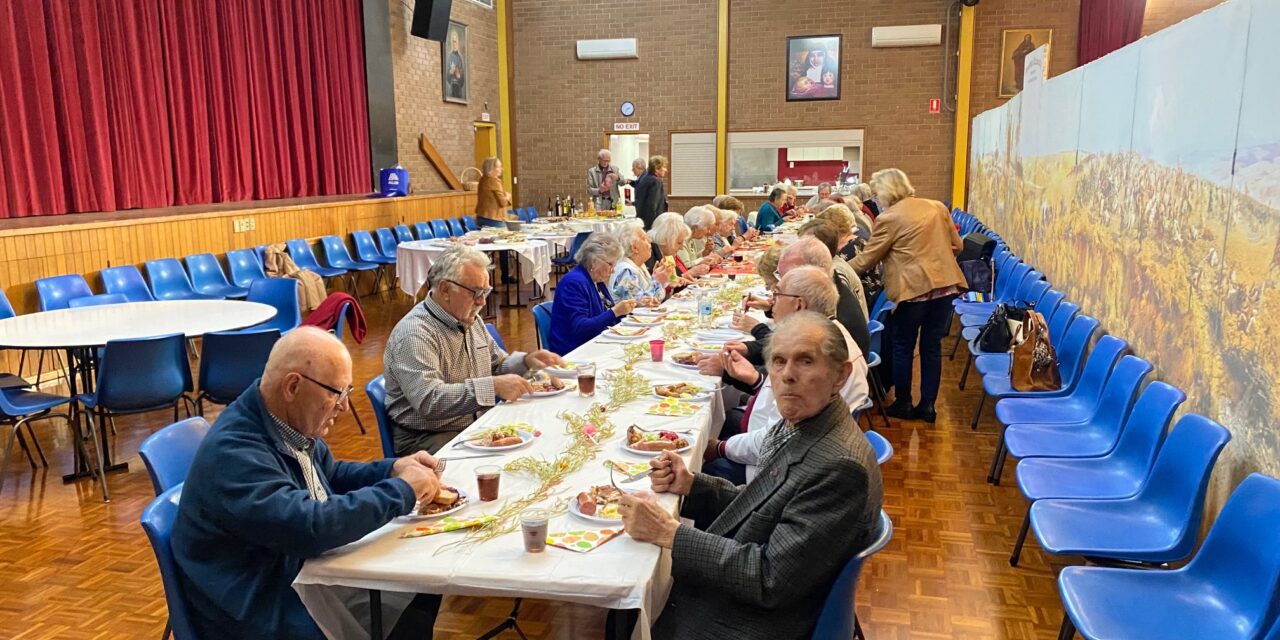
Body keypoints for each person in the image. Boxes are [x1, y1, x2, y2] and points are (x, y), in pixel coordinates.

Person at [619, 311, 884, 640]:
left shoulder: (839, 466)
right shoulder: (808, 427)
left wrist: (670, 534)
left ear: (840, 375)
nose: (787, 375)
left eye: (805, 361)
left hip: (758, 623)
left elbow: (769, 578)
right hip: (760, 599)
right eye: (778, 361)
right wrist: (691, 486)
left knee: (631, 601)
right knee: (633, 599)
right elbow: (764, 504)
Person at [173, 327, 447, 640]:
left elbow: (329, 476)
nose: (344, 406)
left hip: (296, 576)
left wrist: (393, 469)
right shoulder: (234, 452)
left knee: (422, 584)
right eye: (336, 393)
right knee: (412, 587)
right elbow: (309, 527)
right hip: (257, 606)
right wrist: (403, 490)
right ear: (292, 386)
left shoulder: (283, 421)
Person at [383, 246, 564, 453]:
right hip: (428, 440)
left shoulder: (470, 319)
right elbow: (429, 401)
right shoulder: (415, 334)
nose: (482, 301)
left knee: (545, 437)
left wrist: (527, 361)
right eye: (476, 292)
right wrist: (492, 386)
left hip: (473, 426)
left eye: (485, 292)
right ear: (444, 289)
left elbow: (497, 365)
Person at [699, 267, 869, 484]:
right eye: (779, 362)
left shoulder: (828, 352)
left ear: (799, 304)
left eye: (776, 295)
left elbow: (778, 440)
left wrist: (720, 448)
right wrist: (755, 380)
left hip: (770, 473)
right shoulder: (819, 336)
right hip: (769, 453)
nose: (771, 302)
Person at [851, 168, 965, 423]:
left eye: (877, 192)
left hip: (912, 291)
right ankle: (927, 407)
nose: (876, 197)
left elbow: (867, 259)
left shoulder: (889, 217)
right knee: (931, 347)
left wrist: (832, 268)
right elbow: (958, 246)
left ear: (887, 191)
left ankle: (903, 403)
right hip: (945, 288)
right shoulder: (936, 207)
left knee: (903, 346)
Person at [779, 236, 870, 358]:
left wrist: (756, 377)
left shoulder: (831, 324)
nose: (782, 281)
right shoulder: (832, 292)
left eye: (787, 275)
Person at [547, 233, 638, 354]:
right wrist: (615, 312)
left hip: (594, 343)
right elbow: (580, 328)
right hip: (574, 352)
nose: (613, 270)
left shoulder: (596, 281)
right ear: (594, 262)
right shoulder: (573, 282)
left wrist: (627, 310)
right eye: (611, 264)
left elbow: (605, 318)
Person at [798, 219, 868, 320]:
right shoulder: (834, 261)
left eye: (803, 245)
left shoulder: (834, 273)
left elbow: (829, 315)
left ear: (817, 247)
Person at [609, 222, 673, 304]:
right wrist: (658, 282)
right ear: (634, 248)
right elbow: (641, 304)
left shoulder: (639, 266)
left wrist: (660, 279)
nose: (650, 240)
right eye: (644, 238)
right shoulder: (625, 271)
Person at [648, 212, 713, 281]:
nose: (681, 248)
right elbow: (658, 287)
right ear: (666, 239)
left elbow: (673, 279)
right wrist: (687, 275)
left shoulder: (667, 254)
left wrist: (684, 277)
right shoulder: (650, 256)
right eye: (679, 243)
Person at [475, 156, 512, 227]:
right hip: (494, 218)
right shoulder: (494, 181)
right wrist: (507, 196)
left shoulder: (482, 180)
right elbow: (503, 203)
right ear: (491, 168)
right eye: (499, 167)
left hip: (482, 216)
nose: (502, 169)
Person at [633, 155, 669, 229]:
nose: (666, 170)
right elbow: (652, 205)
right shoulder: (656, 182)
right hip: (652, 222)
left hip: (642, 219)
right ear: (656, 169)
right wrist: (652, 226)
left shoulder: (644, 177)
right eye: (664, 167)